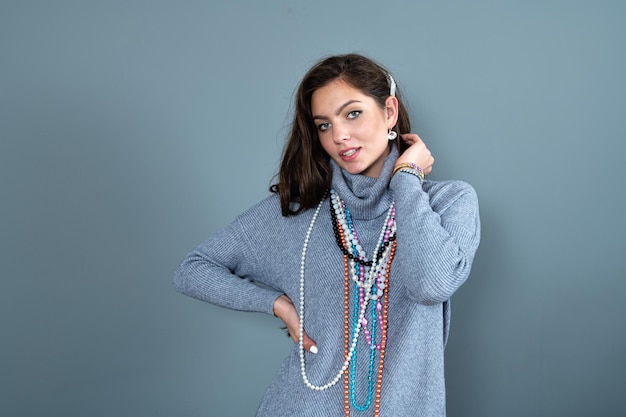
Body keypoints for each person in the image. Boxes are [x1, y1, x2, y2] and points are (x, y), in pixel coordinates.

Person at [173, 53, 480, 417]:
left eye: (352, 114)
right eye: (323, 125)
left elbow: (430, 284)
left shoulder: (448, 202)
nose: (339, 136)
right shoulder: (301, 212)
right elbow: (193, 269)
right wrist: (278, 305)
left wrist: (407, 178)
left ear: (389, 112)